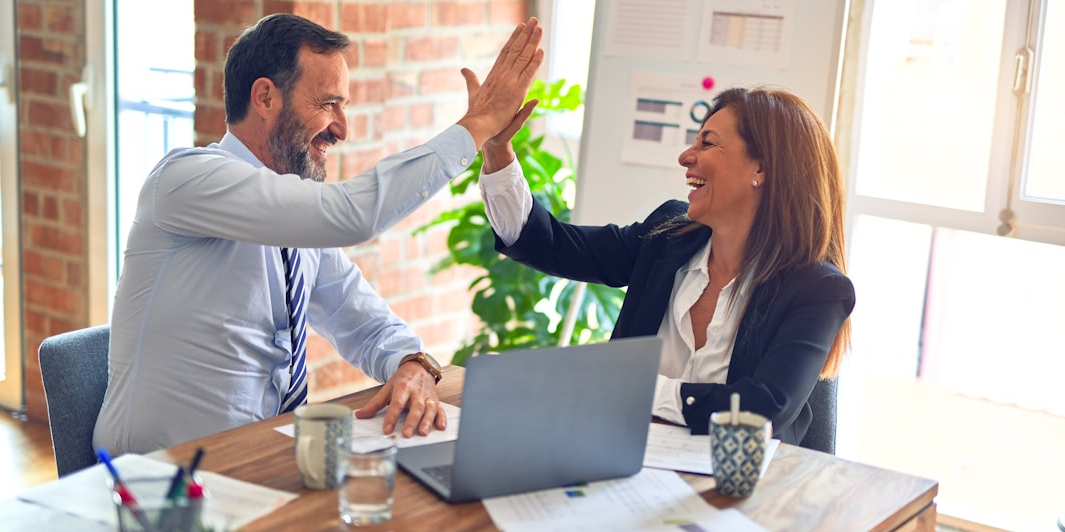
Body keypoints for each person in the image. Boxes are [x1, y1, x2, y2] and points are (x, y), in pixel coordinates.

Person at [93, 13, 543, 455]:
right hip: (158, 484)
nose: (342, 128)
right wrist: (478, 125)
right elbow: (353, 214)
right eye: (328, 103)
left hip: (261, 463)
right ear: (265, 98)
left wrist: (412, 363)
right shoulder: (186, 180)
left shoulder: (295, 223)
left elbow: (363, 320)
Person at [477, 87, 855, 446]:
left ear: (762, 169)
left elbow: (761, 410)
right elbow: (550, 244)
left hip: (742, 493)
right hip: (624, 463)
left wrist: (633, 388)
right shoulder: (668, 237)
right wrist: (497, 149)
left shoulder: (817, 289)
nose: (686, 157)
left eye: (707, 143)